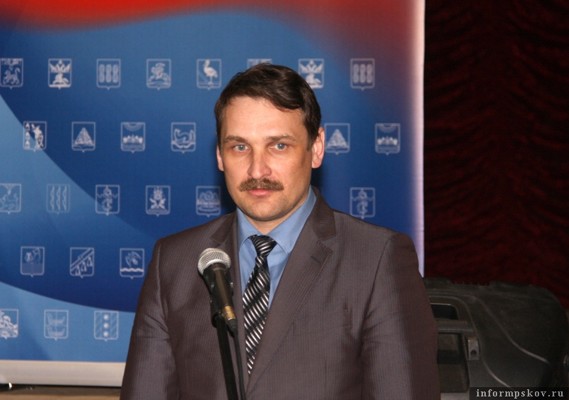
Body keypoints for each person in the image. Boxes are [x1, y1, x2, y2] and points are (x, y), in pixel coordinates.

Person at [120, 64, 439, 399]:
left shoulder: (376, 260)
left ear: (317, 148)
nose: (257, 170)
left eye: (279, 146)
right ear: (219, 156)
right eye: (240, 147)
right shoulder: (174, 263)